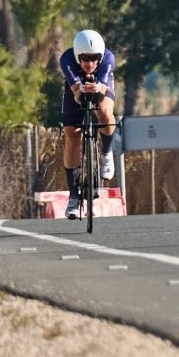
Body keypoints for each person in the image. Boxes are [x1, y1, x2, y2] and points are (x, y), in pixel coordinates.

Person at [60, 29, 117, 219]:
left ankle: (106, 154)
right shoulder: (67, 59)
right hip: (75, 86)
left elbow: (103, 88)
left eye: (95, 59)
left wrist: (98, 88)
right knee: (71, 133)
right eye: (85, 58)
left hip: (101, 84)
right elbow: (76, 92)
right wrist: (81, 90)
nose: (90, 63)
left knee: (105, 112)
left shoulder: (108, 59)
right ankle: (74, 197)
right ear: (77, 56)